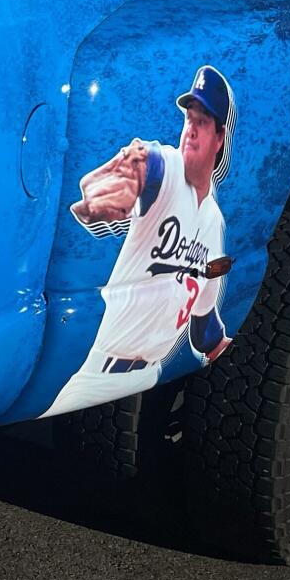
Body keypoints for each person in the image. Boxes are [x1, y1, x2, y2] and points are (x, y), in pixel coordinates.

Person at [49, 64, 236, 414]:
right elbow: (143, 167)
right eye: (188, 119)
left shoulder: (213, 222)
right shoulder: (164, 167)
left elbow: (205, 325)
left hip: (149, 374)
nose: (191, 130)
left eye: (202, 122)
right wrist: (121, 182)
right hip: (99, 371)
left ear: (220, 136)